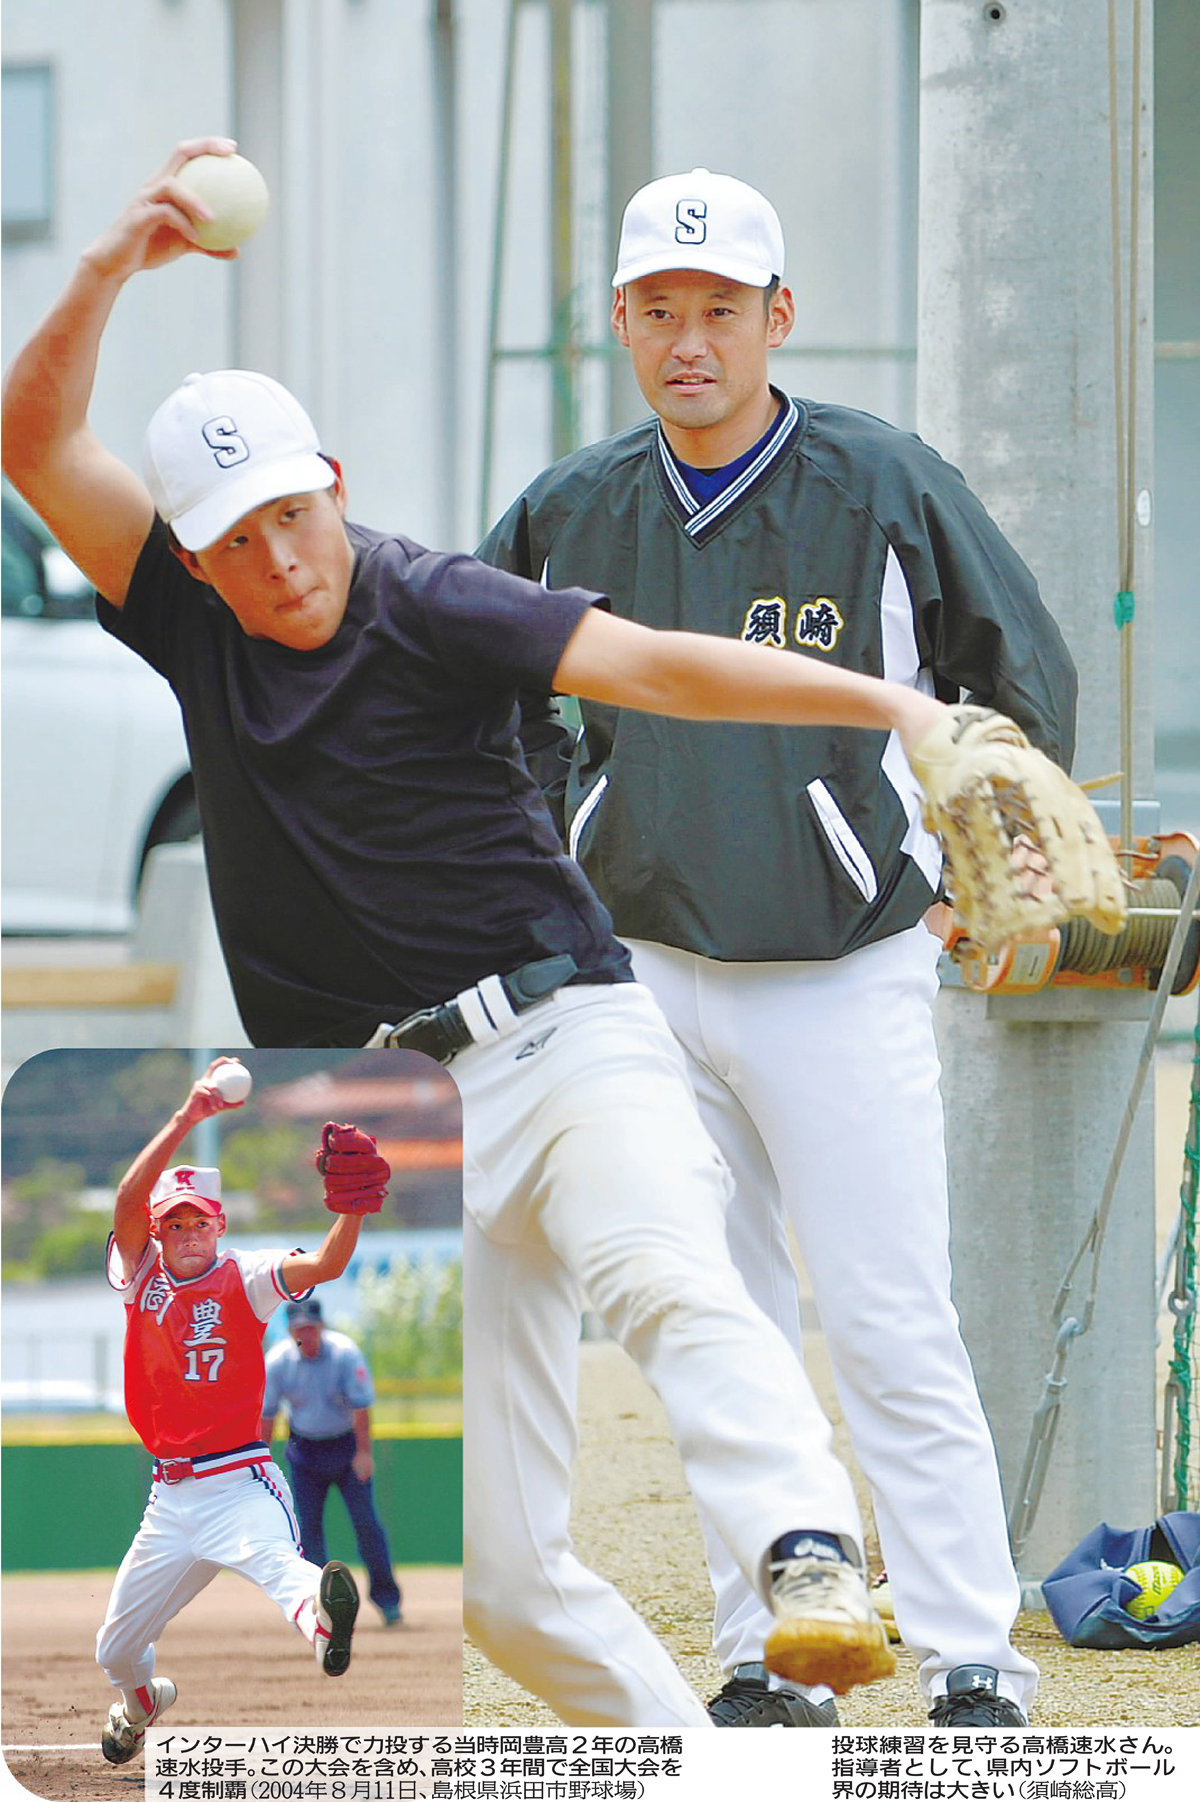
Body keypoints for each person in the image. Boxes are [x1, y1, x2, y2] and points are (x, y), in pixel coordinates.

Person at [3, 141, 1035, 1728]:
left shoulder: (433, 599)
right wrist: (104, 267)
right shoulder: (196, 617)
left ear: (333, 483)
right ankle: (706, 1758)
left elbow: (665, 667)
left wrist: (894, 699)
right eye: (233, 538)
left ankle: (819, 1556)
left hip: (566, 1035)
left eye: (292, 513)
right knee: (504, 1572)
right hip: (399, 1113)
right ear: (186, 557)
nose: (275, 560)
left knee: (670, 1270)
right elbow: (33, 437)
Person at [475, 168, 1076, 1729]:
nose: (690, 340)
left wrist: (967, 875)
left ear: (777, 317)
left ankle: (968, 1650)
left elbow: (1015, 669)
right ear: (621, 320)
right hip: (645, 972)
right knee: (717, 1327)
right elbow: (495, 725)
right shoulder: (569, 506)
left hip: (844, 963)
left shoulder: (880, 480)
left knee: (887, 1316)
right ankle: (767, 1644)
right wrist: (547, 890)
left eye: (720, 310)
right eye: (659, 310)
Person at [93, 1057, 369, 1765]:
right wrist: (188, 1116)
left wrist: (352, 1210)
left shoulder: (245, 1277)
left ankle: (324, 1627)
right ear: (158, 1233)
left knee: (283, 1567)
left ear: (219, 1225)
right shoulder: (139, 1276)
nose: (187, 1233)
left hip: (239, 1480)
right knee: (115, 1649)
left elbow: (328, 1267)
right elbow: (127, 1201)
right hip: (168, 1500)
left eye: (199, 1222)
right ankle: (140, 1702)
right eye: (174, 1223)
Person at [262, 1296, 403, 1626]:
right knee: (307, 1534)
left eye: (310, 1329)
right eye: (298, 1331)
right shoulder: (278, 1361)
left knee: (367, 1525)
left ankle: (388, 1602)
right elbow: (267, 1415)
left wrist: (364, 1453)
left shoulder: (344, 1353)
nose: (305, 1337)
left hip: (345, 1447)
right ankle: (321, 1608)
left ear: (321, 1327)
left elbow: (361, 1407)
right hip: (305, 1450)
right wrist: (263, 1462)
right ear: (290, 1332)